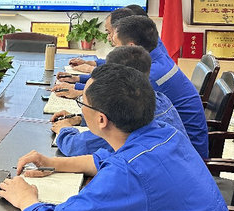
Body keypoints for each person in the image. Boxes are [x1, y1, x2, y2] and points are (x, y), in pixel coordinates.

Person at [0, 64, 234, 211]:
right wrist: (53, 162)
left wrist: (26, 199)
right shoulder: (166, 133)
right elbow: (105, 159)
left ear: (101, 119)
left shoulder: (128, 174)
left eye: (82, 102)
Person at [52, 46, 188, 157]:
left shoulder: (125, 122)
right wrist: (80, 119)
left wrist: (63, 129)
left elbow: (76, 146)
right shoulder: (157, 98)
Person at [112, 15, 209, 158]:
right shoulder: (157, 58)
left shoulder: (151, 76)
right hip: (180, 143)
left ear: (131, 47)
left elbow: (119, 120)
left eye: (115, 45)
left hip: (185, 152)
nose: (114, 50)